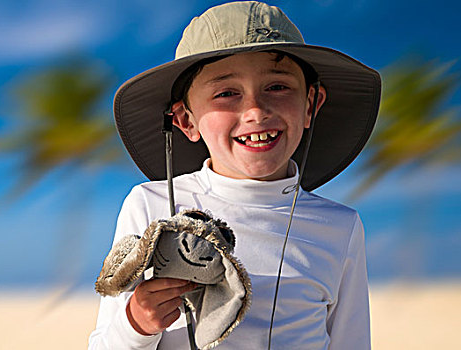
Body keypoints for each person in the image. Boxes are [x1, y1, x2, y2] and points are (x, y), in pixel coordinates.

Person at [89, 1, 380, 349]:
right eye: (227, 93)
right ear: (185, 121)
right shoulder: (150, 206)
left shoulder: (340, 227)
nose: (256, 111)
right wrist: (136, 323)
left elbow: (352, 342)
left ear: (310, 105)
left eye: (278, 87)